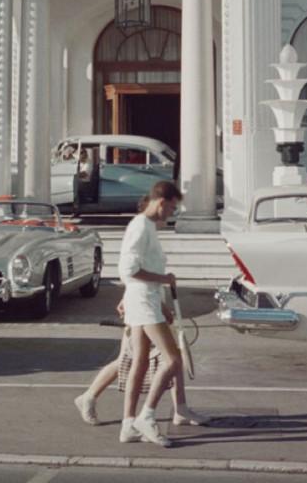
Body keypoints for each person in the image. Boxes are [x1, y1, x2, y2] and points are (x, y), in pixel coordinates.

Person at [116, 179, 185, 447]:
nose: (172, 213)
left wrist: (162, 301)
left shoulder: (146, 227)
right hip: (142, 300)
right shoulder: (141, 227)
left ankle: (127, 425)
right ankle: (147, 415)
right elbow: (130, 270)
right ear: (160, 202)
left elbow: (135, 272)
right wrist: (165, 279)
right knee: (173, 360)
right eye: (171, 207)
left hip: (144, 298)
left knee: (141, 362)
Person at [73, 298, 206, 428]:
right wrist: (160, 304)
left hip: (149, 308)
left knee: (171, 358)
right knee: (132, 360)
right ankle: (92, 399)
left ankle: (180, 409)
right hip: (143, 309)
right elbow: (138, 280)